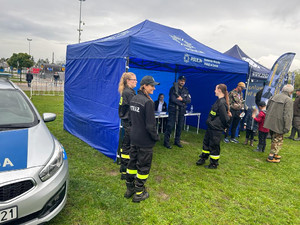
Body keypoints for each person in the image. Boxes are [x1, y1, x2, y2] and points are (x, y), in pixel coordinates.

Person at [125, 75, 160, 203]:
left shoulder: (134, 98)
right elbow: (151, 126)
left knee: (132, 163)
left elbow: (130, 118)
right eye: (152, 86)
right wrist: (156, 137)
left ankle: (130, 189)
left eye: (154, 86)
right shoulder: (148, 102)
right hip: (145, 141)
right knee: (143, 167)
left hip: (134, 137)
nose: (154, 88)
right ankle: (139, 193)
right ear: (144, 86)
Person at [196, 84, 230, 169]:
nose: (214, 91)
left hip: (216, 128)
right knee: (206, 142)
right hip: (211, 126)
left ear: (219, 90)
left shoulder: (222, 103)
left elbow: (225, 118)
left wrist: (226, 126)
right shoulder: (218, 101)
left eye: (215, 89)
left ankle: (214, 163)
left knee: (214, 145)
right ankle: (203, 158)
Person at [264, 84, 294, 163]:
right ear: (291, 92)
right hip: (279, 122)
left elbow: (267, 107)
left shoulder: (275, 96)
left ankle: (275, 153)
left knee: (274, 138)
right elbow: (288, 115)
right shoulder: (288, 100)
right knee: (277, 139)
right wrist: (287, 127)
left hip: (270, 121)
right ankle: (271, 156)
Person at [118, 72, 137, 180]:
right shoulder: (129, 93)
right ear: (128, 81)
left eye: (136, 80)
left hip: (126, 121)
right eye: (133, 80)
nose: (135, 82)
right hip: (129, 122)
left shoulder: (126, 91)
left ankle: (123, 167)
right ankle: (125, 170)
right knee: (127, 146)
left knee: (125, 144)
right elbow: (135, 106)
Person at [164, 75, 191, 149]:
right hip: (173, 110)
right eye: (181, 80)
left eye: (184, 81)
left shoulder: (185, 90)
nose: (182, 82)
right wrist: (183, 103)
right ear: (178, 80)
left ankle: (177, 141)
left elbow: (189, 100)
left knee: (179, 127)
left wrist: (182, 99)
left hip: (181, 111)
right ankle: (166, 142)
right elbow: (173, 99)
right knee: (170, 126)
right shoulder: (173, 89)